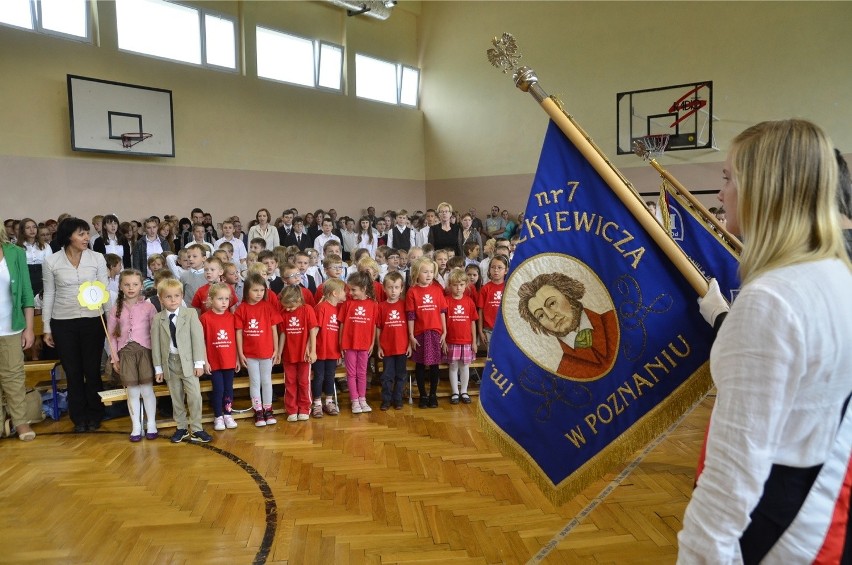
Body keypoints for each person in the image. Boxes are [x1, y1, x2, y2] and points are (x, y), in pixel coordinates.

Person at [678, 119, 852, 563]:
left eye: (728, 178)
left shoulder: (771, 298)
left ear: (765, 188)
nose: (720, 194)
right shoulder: (835, 276)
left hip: (777, 524)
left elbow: (731, 475)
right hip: (819, 507)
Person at [43, 217, 108, 433]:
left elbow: (104, 290)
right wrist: (46, 327)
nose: (86, 237)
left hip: (93, 321)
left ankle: (96, 413)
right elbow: (49, 294)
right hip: (63, 322)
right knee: (73, 371)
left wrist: (112, 322)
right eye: (81, 234)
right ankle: (78, 417)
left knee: (92, 369)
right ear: (68, 236)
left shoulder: (97, 258)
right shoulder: (51, 261)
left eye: (87, 233)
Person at [517, 272, 618, 380]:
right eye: (541, 315)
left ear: (568, 294)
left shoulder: (615, 319)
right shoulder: (564, 373)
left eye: (552, 303)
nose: (551, 316)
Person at [151, 278, 212, 443]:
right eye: (168, 297)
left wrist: (199, 363)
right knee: (176, 397)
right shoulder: (158, 319)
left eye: (176, 296)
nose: (173, 300)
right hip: (170, 363)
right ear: (160, 298)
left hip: (189, 363)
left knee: (194, 396)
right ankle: (182, 427)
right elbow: (156, 344)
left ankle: (197, 428)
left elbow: (198, 339)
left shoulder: (190, 314)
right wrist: (158, 369)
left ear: (182, 296)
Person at [106, 269, 159, 442]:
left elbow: (155, 333)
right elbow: (111, 336)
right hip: (125, 354)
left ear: (141, 286)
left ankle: (151, 424)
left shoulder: (149, 307)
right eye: (127, 284)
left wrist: (157, 357)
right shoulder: (115, 309)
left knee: (147, 390)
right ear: (120, 286)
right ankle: (136, 425)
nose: (131, 288)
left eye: (135, 284)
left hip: (145, 352)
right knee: (133, 392)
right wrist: (115, 358)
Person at [0, 224, 36, 441]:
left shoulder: (15, 253)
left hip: (10, 327)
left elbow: (26, 293)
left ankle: (21, 422)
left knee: (13, 376)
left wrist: (29, 328)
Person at [235, 272, 282, 427]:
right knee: (255, 382)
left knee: (266, 381)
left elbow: (274, 329)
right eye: (255, 290)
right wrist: (240, 353)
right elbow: (239, 332)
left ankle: (268, 409)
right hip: (250, 354)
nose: (259, 294)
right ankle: (258, 410)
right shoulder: (242, 308)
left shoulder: (268, 307)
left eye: (262, 290)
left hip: (267, 352)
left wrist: (276, 349)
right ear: (247, 290)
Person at [406, 256, 447, 408]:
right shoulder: (412, 292)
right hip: (420, 334)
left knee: (435, 365)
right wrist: (411, 335)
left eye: (431, 272)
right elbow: (411, 315)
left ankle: (433, 395)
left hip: (435, 332)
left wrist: (444, 332)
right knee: (421, 365)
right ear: (417, 273)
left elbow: (442, 311)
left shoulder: (437, 290)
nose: (429, 275)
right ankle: (423, 395)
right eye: (425, 272)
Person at [200, 282, 239, 432]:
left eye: (226, 299)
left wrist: (236, 359)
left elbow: (236, 339)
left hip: (229, 360)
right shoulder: (205, 318)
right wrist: (205, 361)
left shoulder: (231, 317)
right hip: (214, 361)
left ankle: (228, 414)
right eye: (220, 299)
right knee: (218, 389)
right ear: (211, 299)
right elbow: (202, 341)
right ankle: (218, 416)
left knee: (228, 388)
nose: (224, 302)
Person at [339, 271, 378, 414]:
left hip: (364, 344)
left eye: (353, 290)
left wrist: (372, 343)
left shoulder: (373, 304)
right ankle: (354, 400)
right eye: (349, 289)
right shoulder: (347, 303)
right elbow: (342, 324)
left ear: (364, 288)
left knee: (362, 373)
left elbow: (373, 324)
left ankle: (362, 398)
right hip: (349, 344)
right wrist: (341, 343)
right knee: (351, 373)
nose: (350, 292)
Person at [278, 285, 318, 422]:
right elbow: (282, 333)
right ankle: (292, 409)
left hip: (304, 355)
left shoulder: (307, 310)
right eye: (285, 306)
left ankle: (305, 408)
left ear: (299, 300)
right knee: (289, 382)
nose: (288, 309)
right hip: (289, 355)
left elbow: (313, 330)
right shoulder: (284, 313)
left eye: (291, 306)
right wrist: (279, 352)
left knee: (303, 382)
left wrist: (312, 350)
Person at [311, 278, 345, 418]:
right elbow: (314, 330)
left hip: (332, 351)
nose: (346, 294)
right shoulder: (321, 308)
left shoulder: (338, 309)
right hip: (320, 351)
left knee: (330, 376)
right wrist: (312, 350)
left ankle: (329, 401)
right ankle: (317, 403)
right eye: (344, 291)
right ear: (335, 293)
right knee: (319, 377)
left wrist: (338, 352)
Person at [444, 268, 477, 405]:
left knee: (465, 367)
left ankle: (464, 390)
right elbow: (442, 323)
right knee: (453, 367)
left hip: (466, 341)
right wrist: (444, 341)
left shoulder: (469, 301)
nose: (458, 288)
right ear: (450, 285)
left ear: (466, 285)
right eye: (455, 285)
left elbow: (472, 322)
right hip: (451, 340)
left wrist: (474, 341)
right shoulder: (446, 301)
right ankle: (455, 392)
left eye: (461, 285)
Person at [376, 271, 409, 410]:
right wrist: (379, 347)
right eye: (390, 287)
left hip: (402, 347)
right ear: (384, 288)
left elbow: (409, 326)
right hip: (387, 348)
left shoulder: (405, 305)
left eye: (396, 287)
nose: (393, 290)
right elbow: (378, 328)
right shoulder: (381, 306)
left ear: (401, 288)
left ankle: (398, 399)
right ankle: (386, 400)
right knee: (387, 376)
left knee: (401, 376)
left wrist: (409, 345)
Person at [476, 255, 507, 352]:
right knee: (491, 357)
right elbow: (480, 311)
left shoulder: (508, 287)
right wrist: (480, 331)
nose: (496, 270)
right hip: (489, 330)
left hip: (505, 330)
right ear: (489, 270)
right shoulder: (485, 288)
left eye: (499, 267)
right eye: (493, 267)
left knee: (504, 356)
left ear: (506, 270)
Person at [17, 217, 51, 297]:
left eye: (34, 227)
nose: (32, 230)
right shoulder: (18, 247)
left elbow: (50, 264)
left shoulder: (45, 246)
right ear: (22, 230)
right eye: (28, 228)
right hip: (25, 275)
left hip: (42, 275)